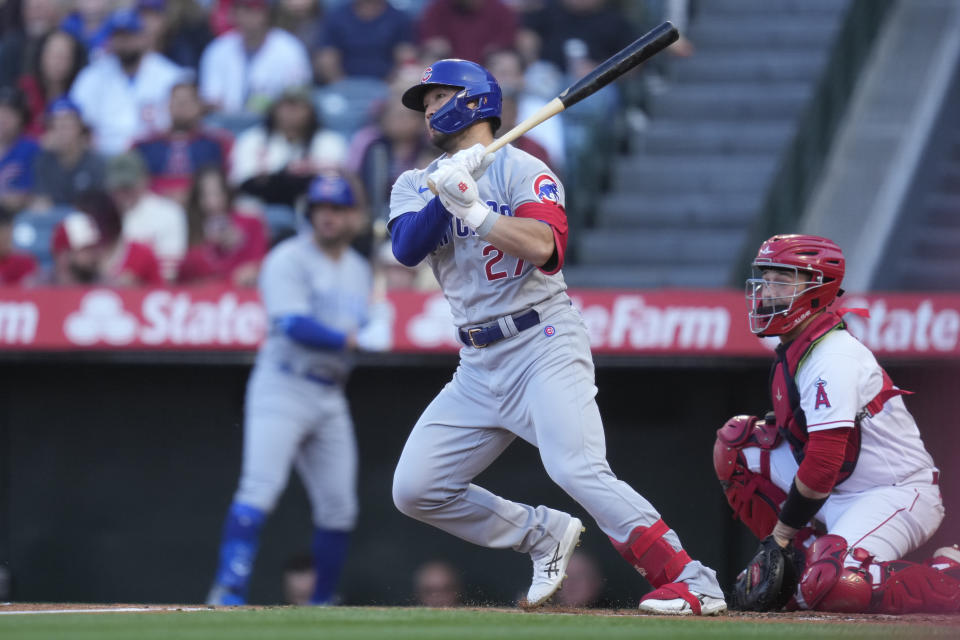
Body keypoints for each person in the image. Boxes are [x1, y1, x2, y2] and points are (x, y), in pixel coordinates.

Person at [388, 59, 726, 616]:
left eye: (437, 96)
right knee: (416, 489)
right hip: (476, 364)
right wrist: (444, 196)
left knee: (575, 467)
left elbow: (544, 248)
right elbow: (405, 249)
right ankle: (542, 535)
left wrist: (472, 208)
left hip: (540, 341)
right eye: (424, 101)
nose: (427, 109)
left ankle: (691, 579)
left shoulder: (525, 170)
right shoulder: (414, 182)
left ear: (474, 102)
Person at [717, 234, 960, 614]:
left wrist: (780, 536)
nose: (767, 291)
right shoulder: (799, 344)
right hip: (837, 489)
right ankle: (796, 565)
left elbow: (824, 463)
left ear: (817, 288)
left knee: (833, 585)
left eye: (782, 280)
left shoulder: (833, 356)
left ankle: (949, 578)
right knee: (738, 446)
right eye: (766, 278)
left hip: (894, 492)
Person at [207, 172, 372, 606]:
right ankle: (228, 591)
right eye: (321, 208)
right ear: (309, 212)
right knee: (259, 488)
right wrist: (347, 339)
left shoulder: (358, 269)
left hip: (330, 392)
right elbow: (293, 324)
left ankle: (321, 602)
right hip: (283, 383)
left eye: (338, 208)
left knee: (340, 508)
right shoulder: (287, 258)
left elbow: (371, 324)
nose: (329, 217)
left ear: (352, 215)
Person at [70, 8, 187, 155]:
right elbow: (76, 121)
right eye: (119, 36)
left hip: (154, 158)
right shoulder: (92, 76)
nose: (124, 42)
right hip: (105, 157)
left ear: (144, 37)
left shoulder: (171, 75)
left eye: (130, 35)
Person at [229, 87, 346, 209]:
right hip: (260, 211)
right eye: (287, 105)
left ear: (311, 110)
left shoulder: (329, 141)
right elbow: (242, 183)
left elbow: (333, 184)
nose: (292, 112)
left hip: (312, 209)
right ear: (274, 109)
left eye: (298, 106)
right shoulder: (252, 140)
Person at [199, 0, 312, 115]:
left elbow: (298, 96)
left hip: (272, 125)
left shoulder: (290, 48)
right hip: (225, 124)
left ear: (267, 13)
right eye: (244, 10)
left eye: (255, 10)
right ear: (234, 14)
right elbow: (210, 97)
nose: (250, 17)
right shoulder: (218, 49)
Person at [134, 78, 232, 203]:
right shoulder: (145, 145)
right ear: (168, 105)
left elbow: (224, 182)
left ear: (199, 106)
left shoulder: (216, 143)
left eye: (187, 102)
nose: (181, 107)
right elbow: (136, 184)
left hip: (201, 206)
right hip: (155, 207)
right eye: (177, 101)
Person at [177, 165, 267, 286]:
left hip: (243, 294)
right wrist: (206, 248)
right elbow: (183, 275)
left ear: (227, 193)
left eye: (217, 193)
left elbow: (261, 262)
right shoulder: (191, 225)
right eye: (204, 195)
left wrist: (240, 246)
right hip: (205, 296)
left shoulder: (251, 223)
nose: (212, 201)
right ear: (197, 199)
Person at [49, 191, 163, 286]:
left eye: (92, 249)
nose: (93, 255)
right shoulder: (43, 285)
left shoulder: (109, 285)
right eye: (85, 250)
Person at [105, 150, 187, 280]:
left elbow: (170, 273)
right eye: (118, 187)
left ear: (144, 180)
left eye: (128, 186)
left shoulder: (168, 213)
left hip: (150, 292)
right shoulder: (101, 215)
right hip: (104, 292)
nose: (123, 192)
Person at [313, 0, 415, 85]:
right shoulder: (336, 16)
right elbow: (327, 56)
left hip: (387, 85)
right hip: (343, 83)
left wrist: (388, 86)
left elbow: (404, 56)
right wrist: (342, 85)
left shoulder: (399, 18)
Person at [32, 97, 106, 209]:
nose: (61, 132)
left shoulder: (96, 163)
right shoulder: (43, 162)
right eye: (55, 126)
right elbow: (42, 202)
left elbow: (100, 206)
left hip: (87, 221)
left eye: (66, 126)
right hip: (53, 221)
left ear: (80, 127)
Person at [17, 29, 87, 137]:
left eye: (65, 57)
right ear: (41, 56)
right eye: (53, 55)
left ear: (74, 60)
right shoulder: (24, 88)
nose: (58, 62)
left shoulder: (82, 91)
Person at [416, 0, 518, 65]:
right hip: (448, 65)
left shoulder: (500, 10)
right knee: (428, 63)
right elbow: (428, 40)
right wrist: (435, 46)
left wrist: (494, 51)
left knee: (506, 62)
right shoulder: (437, 9)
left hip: (488, 67)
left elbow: (507, 41)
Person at [0, 86, 40, 213]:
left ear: (21, 118)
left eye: (10, 113)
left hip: (17, 222)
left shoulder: (31, 149)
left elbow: (27, 199)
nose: (3, 119)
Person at [0, 205, 38, 285]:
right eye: (2, 234)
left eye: (8, 233)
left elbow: (31, 291)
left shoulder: (24, 261)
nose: (5, 237)